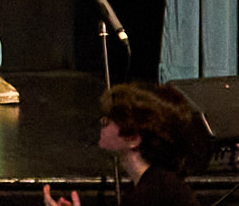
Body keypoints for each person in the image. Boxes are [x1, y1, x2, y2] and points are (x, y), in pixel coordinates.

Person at [44, 84, 203, 206]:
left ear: (133, 139)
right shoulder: (154, 185)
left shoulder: (153, 192)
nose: (102, 122)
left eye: (110, 120)